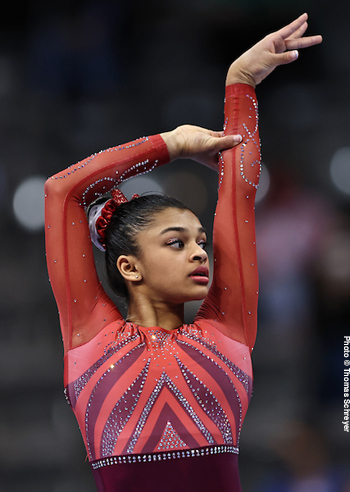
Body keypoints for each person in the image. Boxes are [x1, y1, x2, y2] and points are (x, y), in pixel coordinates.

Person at [45, 13, 322, 492]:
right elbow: (62, 193)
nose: (200, 253)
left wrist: (240, 84)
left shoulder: (227, 329)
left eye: (199, 240)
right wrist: (169, 144)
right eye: (176, 243)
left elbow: (237, 190)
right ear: (128, 266)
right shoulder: (89, 336)